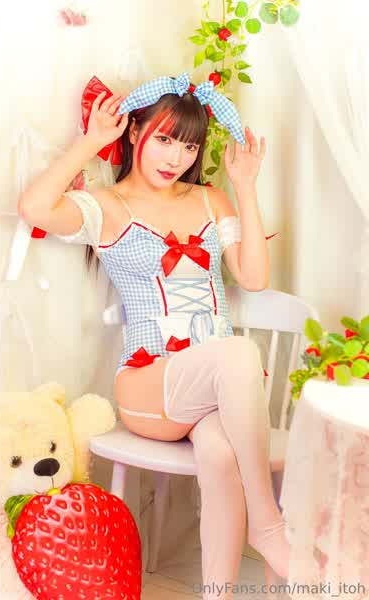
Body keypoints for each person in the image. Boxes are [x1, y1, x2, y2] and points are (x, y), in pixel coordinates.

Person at [18, 72, 290, 599]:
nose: (176, 157)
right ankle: (268, 523)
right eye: (164, 138)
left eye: (188, 146)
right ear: (135, 131)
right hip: (149, 386)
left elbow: (254, 278)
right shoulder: (107, 205)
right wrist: (92, 141)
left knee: (220, 454)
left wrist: (246, 186)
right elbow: (34, 207)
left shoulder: (211, 200)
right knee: (237, 352)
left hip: (213, 388)